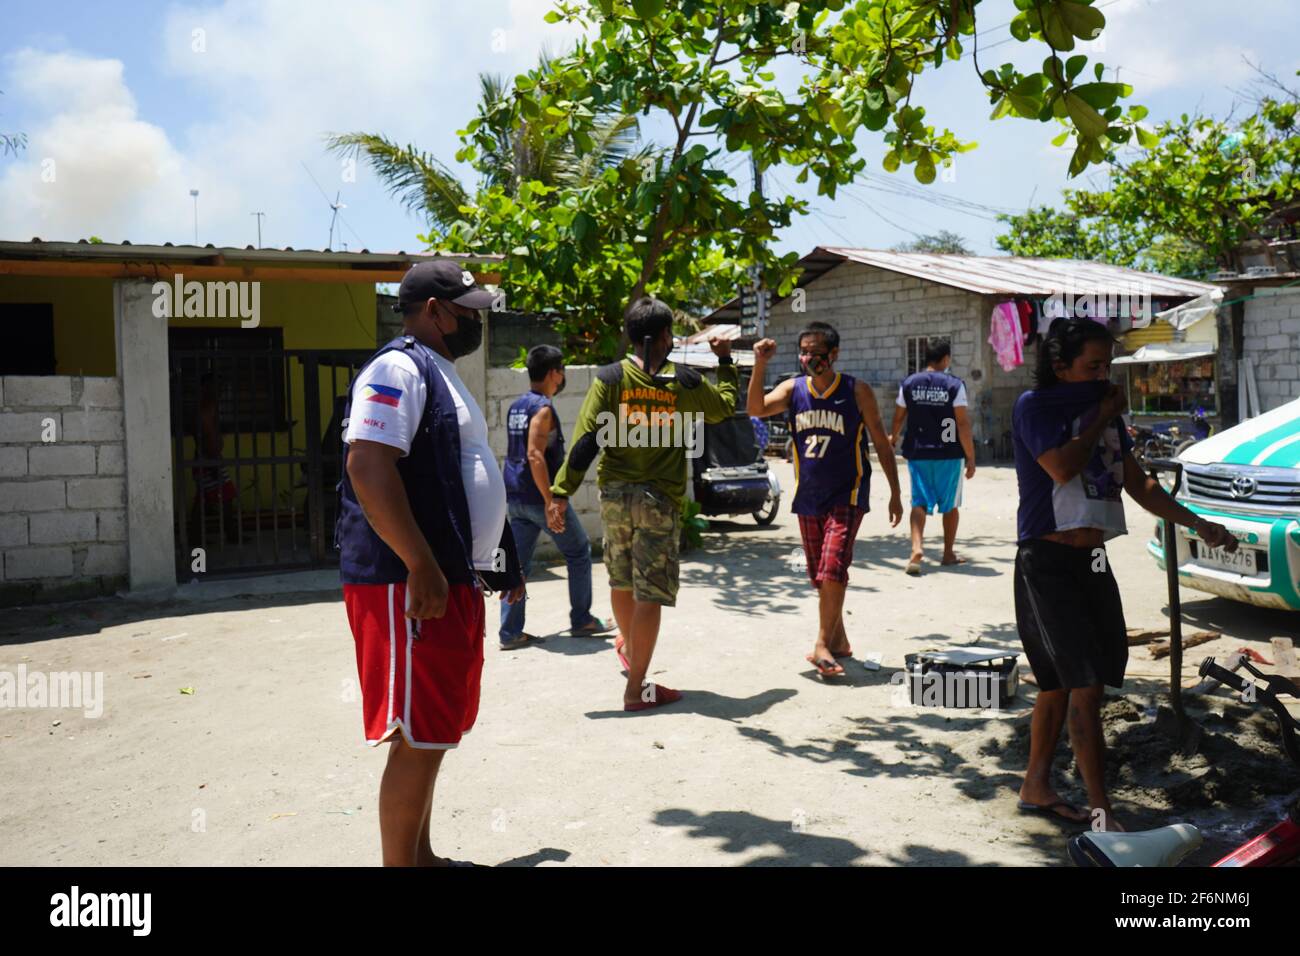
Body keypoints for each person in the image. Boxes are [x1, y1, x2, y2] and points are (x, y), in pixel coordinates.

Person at [1011, 317, 1237, 832]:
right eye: (1092, 365)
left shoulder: (1104, 412)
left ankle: (1036, 785)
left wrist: (1200, 523)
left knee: (1059, 682)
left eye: (1106, 365)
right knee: (1082, 684)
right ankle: (1102, 813)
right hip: (1046, 560)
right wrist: (1100, 417)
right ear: (1060, 366)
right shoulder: (1036, 407)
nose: (1102, 374)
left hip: (1092, 559)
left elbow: (1138, 484)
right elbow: (1063, 468)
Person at [336, 259, 524, 866]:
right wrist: (419, 563)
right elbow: (367, 466)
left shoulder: (440, 372)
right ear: (436, 311)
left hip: (444, 577)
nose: (477, 318)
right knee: (415, 736)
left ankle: (421, 857)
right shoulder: (397, 367)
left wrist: (498, 566)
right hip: (408, 582)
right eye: (468, 308)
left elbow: (459, 480)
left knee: (433, 730)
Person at [547, 296, 737, 711]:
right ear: (666, 336)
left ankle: (632, 652)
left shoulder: (611, 378)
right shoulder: (683, 383)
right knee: (649, 595)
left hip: (614, 498)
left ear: (631, 336)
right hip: (659, 502)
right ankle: (637, 689)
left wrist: (561, 492)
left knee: (621, 582)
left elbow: (585, 442)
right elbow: (724, 408)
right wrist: (725, 363)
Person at [748, 321, 903, 679]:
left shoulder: (855, 390)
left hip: (848, 492)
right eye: (804, 352)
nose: (809, 359)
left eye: (816, 353)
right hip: (809, 494)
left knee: (832, 566)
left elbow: (881, 442)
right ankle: (839, 640)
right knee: (821, 576)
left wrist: (895, 492)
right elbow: (755, 408)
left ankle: (820, 643)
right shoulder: (793, 389)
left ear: (834, 354)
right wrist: (760, 364)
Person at [499, 344, 612, 649]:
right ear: (553, 374)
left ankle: (510, 632)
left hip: (516, 497)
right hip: (539, 499)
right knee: (577, 551)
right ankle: (582, 619)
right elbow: (535, 455)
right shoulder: (542, 409)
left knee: (518, 565)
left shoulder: (517, 406)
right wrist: (551, 501)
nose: (562, 376)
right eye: (561, 370)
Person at [888, 338, 976, 574]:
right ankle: (947, 553)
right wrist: (971, 456)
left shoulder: (909, 383)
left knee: (919, 501)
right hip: (949, 452)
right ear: (945, 359)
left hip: (919, 451)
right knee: (951, 505)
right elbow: (962, 423)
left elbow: (899, 416)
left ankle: (916, 550)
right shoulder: (955, 385)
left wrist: (893, 437)